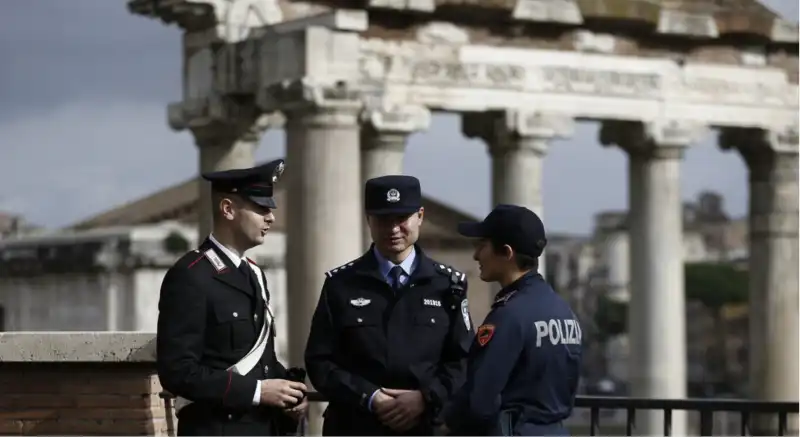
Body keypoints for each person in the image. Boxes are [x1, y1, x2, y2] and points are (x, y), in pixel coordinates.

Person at [304, 175, 475, 436]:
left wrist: (424, 398)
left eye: (401, 219)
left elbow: (462, 360)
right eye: (384, 220)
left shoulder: (447, 285)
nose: (393, 229)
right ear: (368, 220)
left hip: (424, 427)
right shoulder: (342, 284)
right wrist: (370, 397)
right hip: (355, 425)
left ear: (420, 216)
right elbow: (320, 362)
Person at [156, 159, 309, 436]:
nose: (271, 217)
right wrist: (258, 391)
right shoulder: (191, 275)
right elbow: (178, 370)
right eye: (261, 208)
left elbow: (262, 359)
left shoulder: (255, 275)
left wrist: (288, 389)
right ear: (228, 209)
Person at [438, 204, 583, 436]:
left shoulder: (508, 316)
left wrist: (447, 424)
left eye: (482, 246)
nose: (475, 255)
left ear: (506, 252)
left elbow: (479, 402)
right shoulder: (562, 310)